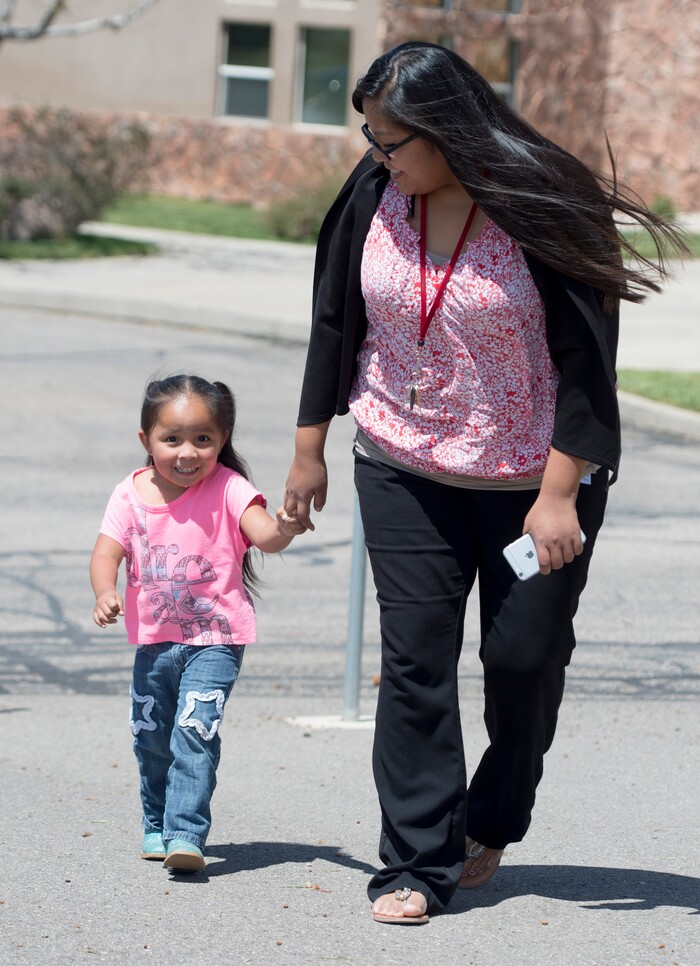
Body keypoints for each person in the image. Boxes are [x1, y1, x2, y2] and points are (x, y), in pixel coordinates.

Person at [284, 42, 685, 923]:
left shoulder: (546, 204)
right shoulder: (375, 190)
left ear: (448, 132)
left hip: (533, 479)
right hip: (402, 463)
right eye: (372, 138)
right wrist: (310, 444)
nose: (377, 154)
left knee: (523, 659)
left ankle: (494, 813)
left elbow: (588, 370)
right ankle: (413, 865)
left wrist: (557, 496)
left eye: (392, 141)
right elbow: (333, 316)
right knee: (415, 660)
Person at [90, 374, 305, 872]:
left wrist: (287, 525)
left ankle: (186, 833)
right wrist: (105, 591)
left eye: (203, 439)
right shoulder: (129, 493)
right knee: (151, 734)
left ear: (222, 441)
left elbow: (266, 536)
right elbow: (106, 553)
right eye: (172, 439)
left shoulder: (231, 489)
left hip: (217, 638)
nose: (187, 452)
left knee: (194, 728)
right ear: (146, 440)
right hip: (154, 643)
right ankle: (156, 823)